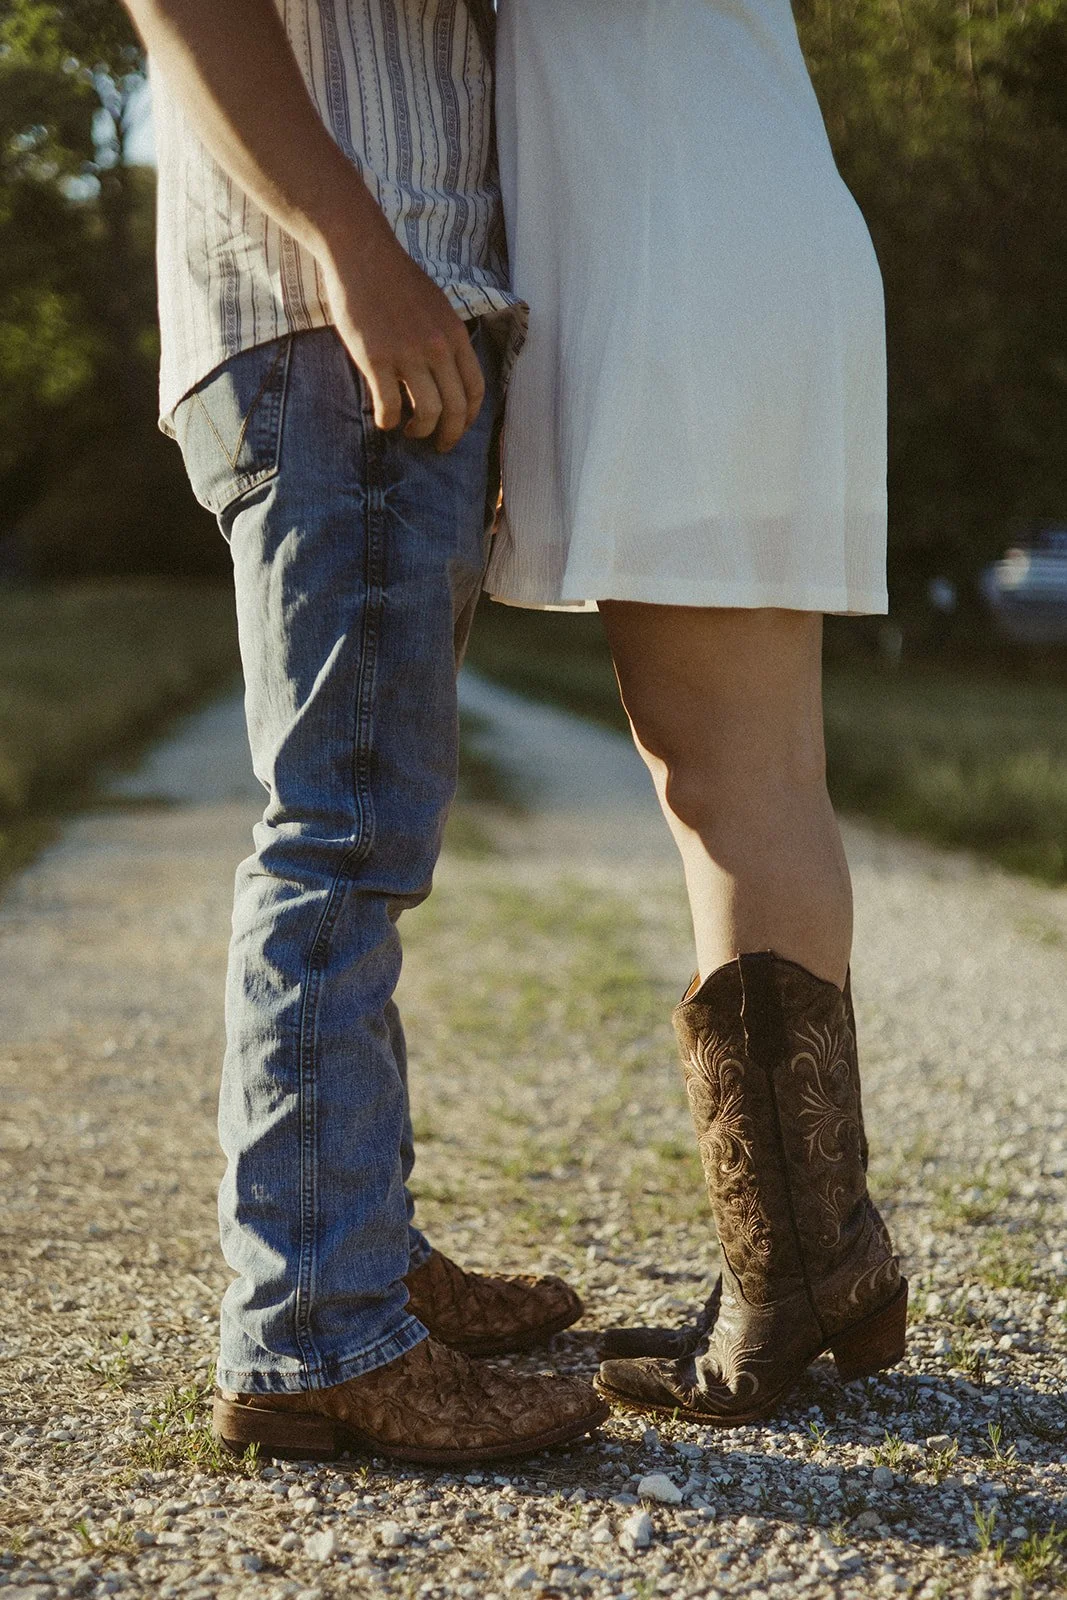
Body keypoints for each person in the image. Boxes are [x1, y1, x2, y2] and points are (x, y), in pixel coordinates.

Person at [120, 0, 607, 1463]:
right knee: (337, 841)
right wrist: (361, 251)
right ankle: (313, 1327)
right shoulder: (350, 279)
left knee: (364, 837)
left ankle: (359, 1253)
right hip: (331, 323)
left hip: (372, 323)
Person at [485, 0, 907, 1421]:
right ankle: (810, 1253)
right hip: (717, 237)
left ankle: (802, 1266)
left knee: (732, 784)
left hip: (686, 262)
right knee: (747, 777)